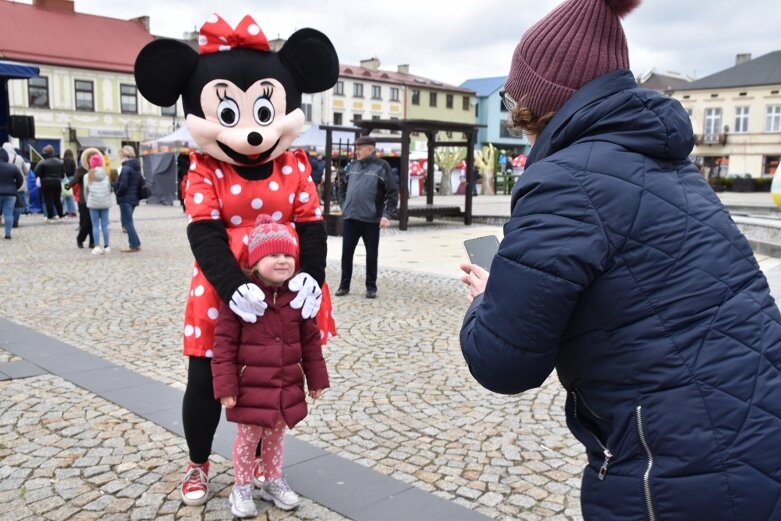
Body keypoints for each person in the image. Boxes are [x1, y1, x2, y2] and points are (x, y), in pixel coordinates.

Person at [459, 1, 781, 520]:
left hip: (677, 470)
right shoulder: (674, 170)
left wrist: (485, 302)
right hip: (757, 437)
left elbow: (504, 362)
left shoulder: (562, 182)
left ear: (542, 105)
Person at [212, 215, 329, 517]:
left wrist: (316, 380)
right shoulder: (241, 300)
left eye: (288, 254)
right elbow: (223, 345)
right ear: (255, 261)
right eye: (274, 255)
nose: (283, 261)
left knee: (276, 436)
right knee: (248, 438)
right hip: (250, 386)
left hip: (285, 384)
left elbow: (310, 344)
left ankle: (273, 480)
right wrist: (226, 386)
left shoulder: (298, 298)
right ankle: (241, 487)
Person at [335, 135, 398, 299]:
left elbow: (392, 193)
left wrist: (387, 215)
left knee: (371, 255)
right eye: (356, 148)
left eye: (359, 148)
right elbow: (340, 187)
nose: (356, 151)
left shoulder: (382, 167)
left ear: (370, 149)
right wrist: (344, 206)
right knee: (346, 254)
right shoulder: (352, 166)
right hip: (350, 218)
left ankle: (371, 287)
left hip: (371, 220)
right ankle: (344, 285)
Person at [83, 152, 112, 255]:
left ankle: (96, 247)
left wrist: (88, 201)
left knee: (95, 225)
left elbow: (85, 191)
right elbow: (109, 189)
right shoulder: (106, 174)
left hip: (93, 202)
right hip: (105, 202)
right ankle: (107, 246)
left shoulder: (87, 176)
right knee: (105, 225)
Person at [114, 146, 142, 252]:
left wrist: (117, 192)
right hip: (133, 198)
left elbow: (123, 185)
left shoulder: (125, 168)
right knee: (129, 222)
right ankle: (136, 243)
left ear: (124, 156)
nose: (120, 158)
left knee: (128, 223)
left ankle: (134, 245)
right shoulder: (136, 167)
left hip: (125, 199)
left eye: (120, 156)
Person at [34, 144, 65, 221]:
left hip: (46, 183)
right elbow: (63, 174)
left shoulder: (42, 162)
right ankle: (61, 216)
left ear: (45, 152)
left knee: (48, 200)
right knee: (57, 200)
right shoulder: (60, 162)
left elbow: (36, 173)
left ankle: (50, 217)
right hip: (57, 182)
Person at [3, 142, 30, 227]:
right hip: (20, 184)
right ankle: (15, 221)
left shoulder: (3, 159)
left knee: (7, 206)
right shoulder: (19, 158)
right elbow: (26, 171)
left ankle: (8, 221)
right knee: (18, 205)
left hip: (6, 185)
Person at [0, 148, 24, 240]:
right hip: (10, 194)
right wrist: (14, 188)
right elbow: (20, 179)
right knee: (8, 214)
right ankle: (8, 233)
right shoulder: (12, 167)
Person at [61, 149, 78, 217]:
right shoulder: (72, 161)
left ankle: (66, 210)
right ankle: (72, 210)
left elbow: (63, 171)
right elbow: (74, 171)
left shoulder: (63, 161)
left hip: (65, 179)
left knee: (65, 195)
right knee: (70, 195)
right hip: (71, 178)